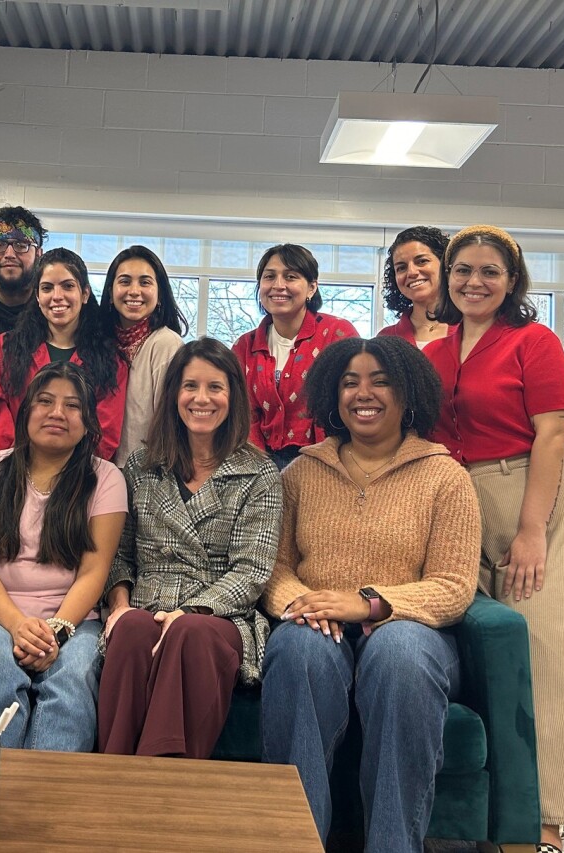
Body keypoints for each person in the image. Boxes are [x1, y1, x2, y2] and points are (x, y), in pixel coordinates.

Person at [260, 335, 480, 853]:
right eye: (350, 381)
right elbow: (273, 567)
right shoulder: (300, 473)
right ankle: (294, 841)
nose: (364, 393)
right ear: (333, 396)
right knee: (297, 649)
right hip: (319, 625)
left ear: (408, 397)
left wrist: (372, 604)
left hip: (414, 637)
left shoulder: (445, 477)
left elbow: (453, 585)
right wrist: (302, 605)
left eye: (381, 381)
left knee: (397, 650)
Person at [424, 224, 564, 853]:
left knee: (543, 657)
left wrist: (531, 532)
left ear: (512, 280)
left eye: (490, 271)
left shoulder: (534, 341)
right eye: (463, 269)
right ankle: (499, 813)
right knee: (487, 657)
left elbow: (550, 436)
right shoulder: (434, 354)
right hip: (464, 502)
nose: (474, 281)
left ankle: (549, 824)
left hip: (535, 497)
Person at [98, 338, 282, 758]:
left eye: (215, 387)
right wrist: (120, 604)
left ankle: (163, 784)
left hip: (218, 617)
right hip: (145, 603)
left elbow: (252, 571)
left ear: (233, 396)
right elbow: (118, 553)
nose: (202, 399)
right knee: (130, 629)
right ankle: (110, 778)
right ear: (173, 395)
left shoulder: (259, 473)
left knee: (189, 632)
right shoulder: (141, 465)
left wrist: (190, 610)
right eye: (190, 386)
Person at [0, 362, 127, 751]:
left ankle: (52, 800)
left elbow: (93, 571)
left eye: (72, 406)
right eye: (45, 402)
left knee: (76, 673)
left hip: (75, 620)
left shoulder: (106, 479)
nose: (57, 413)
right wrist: (17, 625)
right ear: (26, 411)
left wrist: (58, 630)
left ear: (87, 422)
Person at [0, 247, 128, 461]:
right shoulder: (3, 350)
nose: (57, 296)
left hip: (79, 478)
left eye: (68, 286)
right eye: (47, 288)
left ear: (84, 294)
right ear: (37, 296)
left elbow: (104, 432)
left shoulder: (111, 359)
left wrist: (65, 471)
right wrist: (24, 469)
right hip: (12, 473)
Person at [232, 243, 359, 471]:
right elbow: (242, 413)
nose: (278, 285)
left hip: (330, 462)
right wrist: (261, 469)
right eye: (269, 277)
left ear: (311, 288)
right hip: (259, 463)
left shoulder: (337, 334)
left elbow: (352, 401)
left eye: (291, 276)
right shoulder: (244, 346)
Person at [99, 245, 186, 466]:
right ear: (110, 293)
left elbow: (171, 424)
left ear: (159, 296)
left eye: (145, 282)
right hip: (100, 467)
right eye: (125, 281)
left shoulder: (166, 343)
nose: (134, 291)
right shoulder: (99, 342)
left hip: (148, 470)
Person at [377, 225, 456, 348]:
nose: (411, 272)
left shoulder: (471, 330)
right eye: (401, 268)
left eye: (422, 261)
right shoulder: (385, 339)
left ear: (445, 264)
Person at [0, 205, 47, 332]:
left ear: (38, 254)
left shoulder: (52, 303)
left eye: (21, 245)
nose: (9, 254)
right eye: (0, 244)